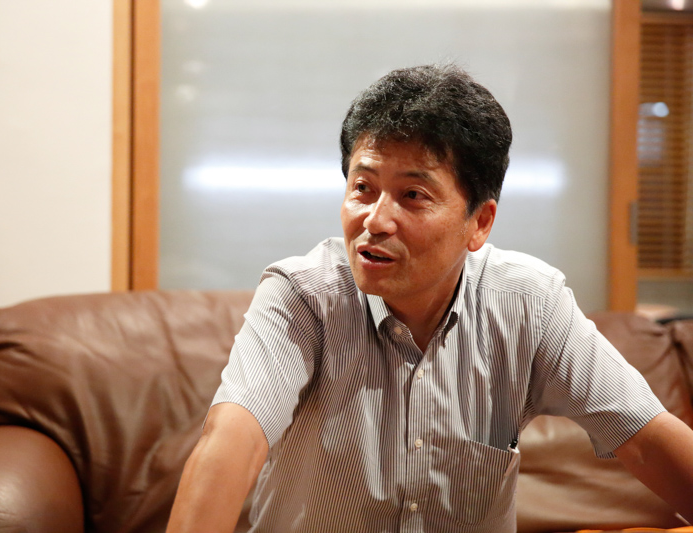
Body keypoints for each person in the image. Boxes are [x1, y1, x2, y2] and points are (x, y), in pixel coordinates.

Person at [167, 64, 693, 533]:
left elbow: (646, 440)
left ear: (479, 222)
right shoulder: (302, 296)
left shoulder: (528, 304)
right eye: (363, 187)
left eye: (412, 195)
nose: (375, 220)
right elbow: (234, 440)